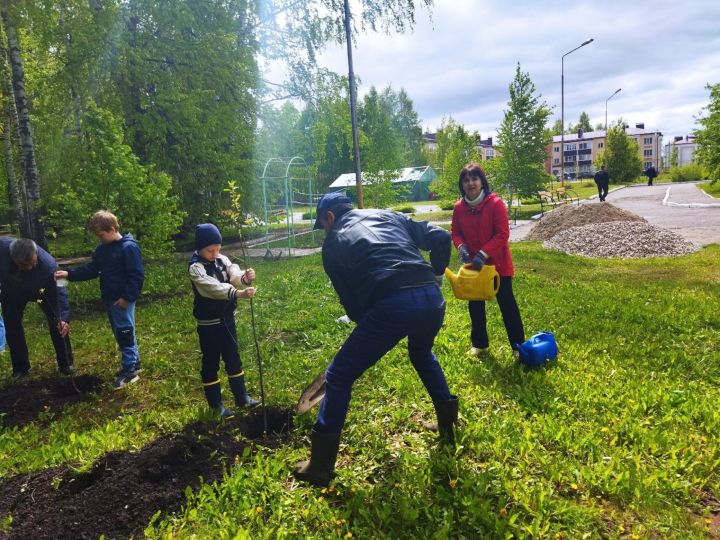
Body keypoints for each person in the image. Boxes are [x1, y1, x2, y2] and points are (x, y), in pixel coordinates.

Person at [294, 192, 457, 487]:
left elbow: (352, 304)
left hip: (393, 304)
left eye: (323, 224)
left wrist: (371, 325)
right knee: (422, 354)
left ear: (329, 217)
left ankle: (319, 465)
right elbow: (441, 237)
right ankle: (448, 425)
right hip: (432, 300)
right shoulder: (388, 214)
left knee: (340, 375)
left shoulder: (332, 246)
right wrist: (435, 277)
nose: (325, 232)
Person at [54, 211, 144, 389]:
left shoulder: (128, 248)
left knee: (124, 332)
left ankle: (129, 371)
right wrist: (69, 274)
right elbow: (92, 269)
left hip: (122, 299)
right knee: (123, 330)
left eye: (101, 235)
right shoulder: (102, 250)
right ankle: (135, 362)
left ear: (112, 229)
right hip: (111, 298)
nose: (99, 239)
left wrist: (127, 297)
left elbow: (136, 276)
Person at [451, 163, 525, 359]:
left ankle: (519, 347)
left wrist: (483, 253)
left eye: (474, 179)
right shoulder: (459, 208)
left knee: (507, 305)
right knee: (475, 306)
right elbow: (455, 232)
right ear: (462, 185)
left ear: (482, 182)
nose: (470, 183)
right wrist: (460, 246)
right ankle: (480, 345)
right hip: (474, 268)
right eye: (466, 180)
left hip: (498, 266)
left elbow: (502, 234)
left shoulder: (495, 203)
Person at [188, 223, 259, 418]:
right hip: (208, 325)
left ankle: (241, 397)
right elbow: (213, 288)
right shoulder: (196, 268)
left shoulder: (221, 259)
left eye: (218, 249)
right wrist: (238, 294)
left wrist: (244, 277)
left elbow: (233, 275)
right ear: (200, 248)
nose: (215, 253)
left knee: (233, 357)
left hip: (227, 320)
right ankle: (216, 405)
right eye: (210, 250)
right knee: (211, 362)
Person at [0, 238, 75, 379]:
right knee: (12, 325)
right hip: (12, 292)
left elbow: (60, 290)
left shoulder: (49, 265)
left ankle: (66, 363)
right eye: (24, 265)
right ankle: (20, 369)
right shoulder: (2, 249)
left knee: (58, 324)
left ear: (36, 254)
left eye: (32, 263)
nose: (29, 267)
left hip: (43, 292)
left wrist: (63, 317)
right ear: (12, 257)